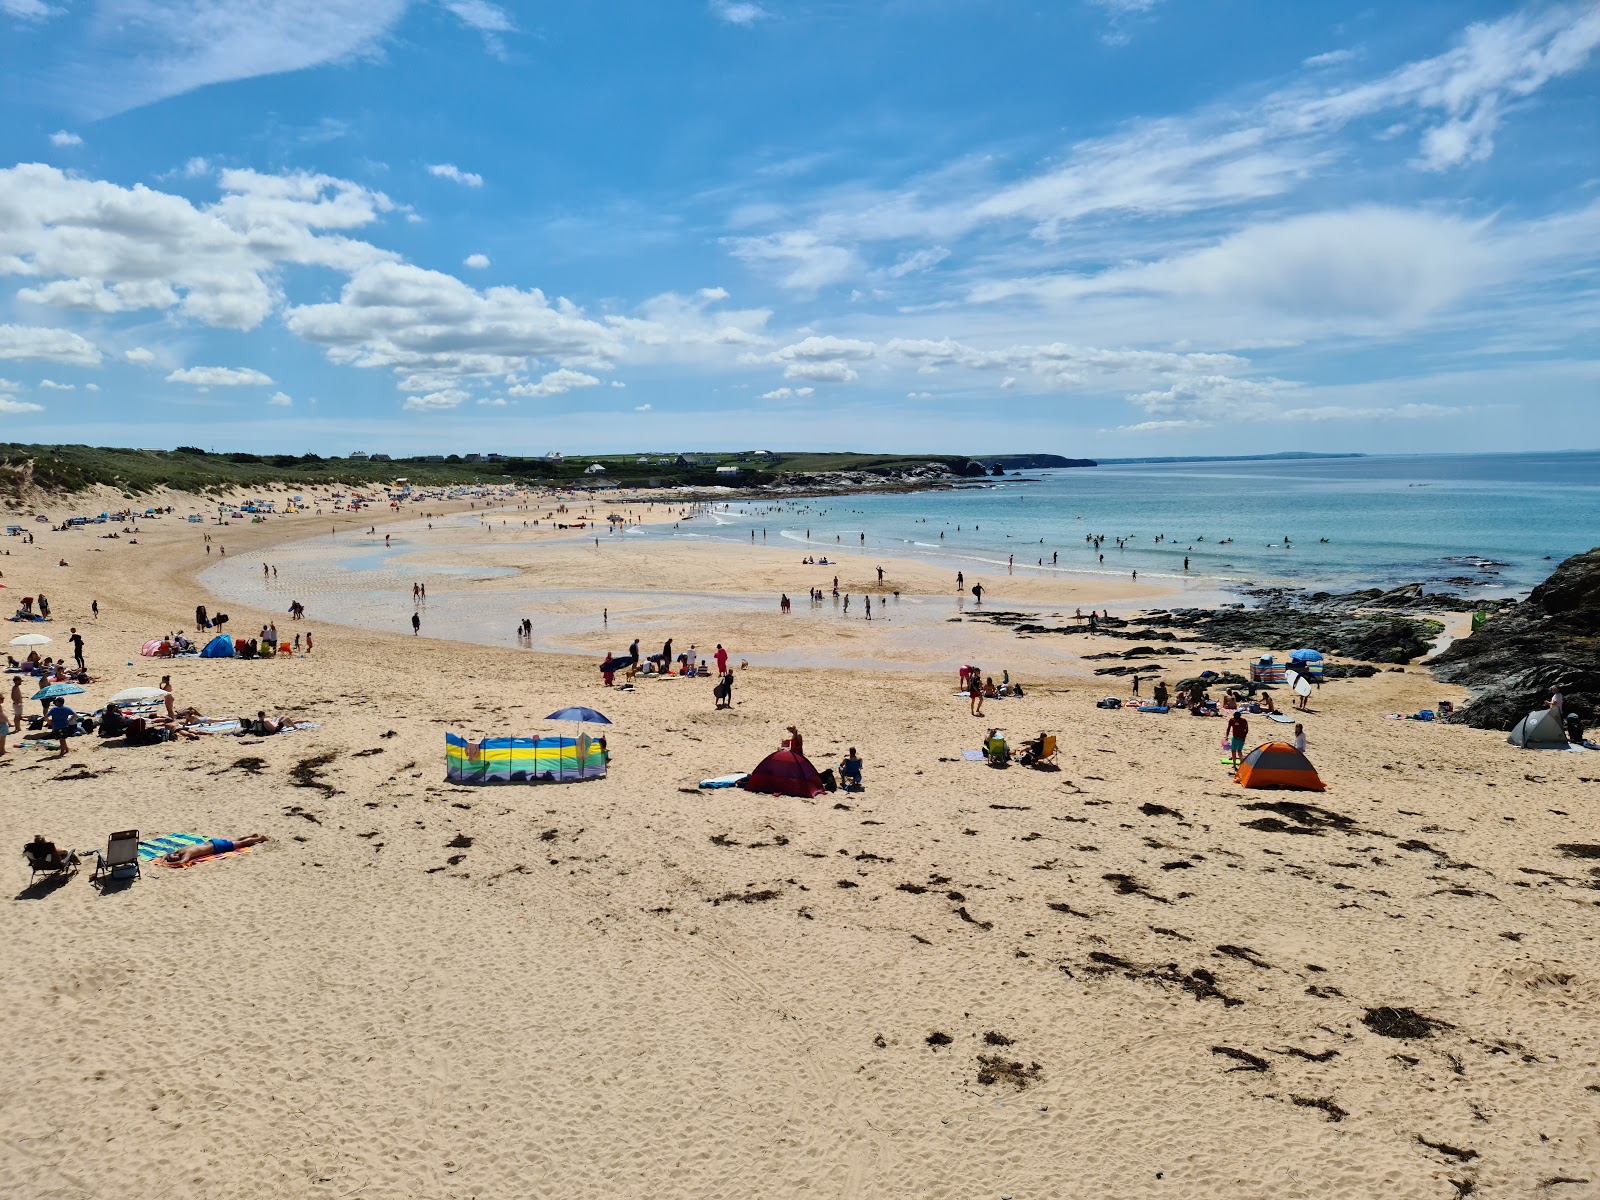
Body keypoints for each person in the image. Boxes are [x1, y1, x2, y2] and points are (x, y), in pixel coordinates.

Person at [164, 833, 269, 865]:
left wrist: (166, 863)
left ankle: (260, 838)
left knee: (240, 844)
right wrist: (164, 859)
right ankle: (251, 836)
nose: (175, 854)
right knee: (234, 841)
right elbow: (170, 855)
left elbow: (182, 862)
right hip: (211, 842)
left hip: (216, 846)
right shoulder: (181, 851)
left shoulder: (186, 854)